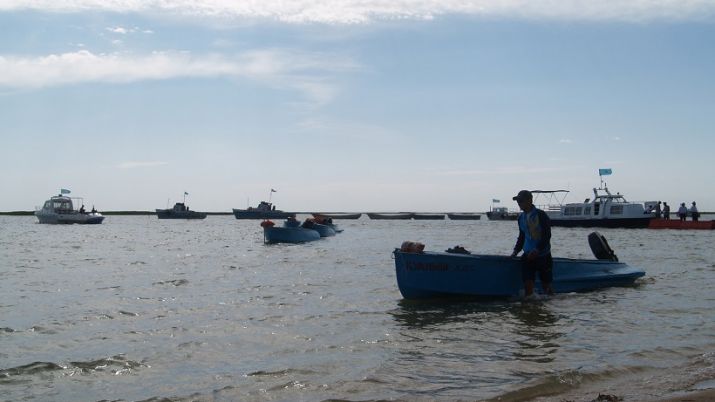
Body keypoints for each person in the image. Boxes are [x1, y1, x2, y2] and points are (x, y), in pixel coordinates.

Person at [510, 190, 553, 297]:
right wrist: (515, 251)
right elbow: (522, 236)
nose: (519, 203)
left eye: (521, 201)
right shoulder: (521, 218)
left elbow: (547, 235)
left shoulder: (541, 215)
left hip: (543, 255)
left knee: (546, 286)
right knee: (528, 287)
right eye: (518, 201)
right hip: (528, 256)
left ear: (530, 200)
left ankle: (552, 304)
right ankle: (530, 306)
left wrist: (537, 250)